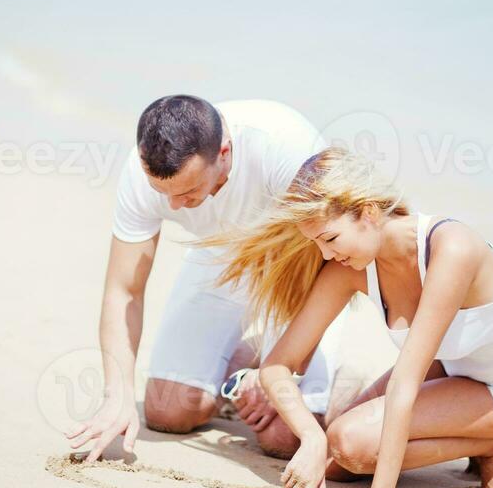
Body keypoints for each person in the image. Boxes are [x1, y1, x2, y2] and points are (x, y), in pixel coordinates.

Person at [216, 147, 493, 488]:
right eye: (318, 243)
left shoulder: (453, 248)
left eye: (329, 238)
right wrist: (311, 436)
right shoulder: (350, 265)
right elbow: (278, 365)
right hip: (454, 366)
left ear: (369, 213)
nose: (326, 254)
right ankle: (479, 440)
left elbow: (405, 386)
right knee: (335, 461)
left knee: (350, 444)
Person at [64, 96, 346, 464]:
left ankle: (335, 385)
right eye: (163, 194)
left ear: (224, 152)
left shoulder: (285, 147)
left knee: (283, 437)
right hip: (218, 252)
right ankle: (243, 362)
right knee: (169, 412)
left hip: (299, 261)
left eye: (188, 192)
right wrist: (116, 395)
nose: (175, 206)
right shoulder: (141, 171)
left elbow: (336, 266)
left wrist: (283, 366)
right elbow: (123, 292)